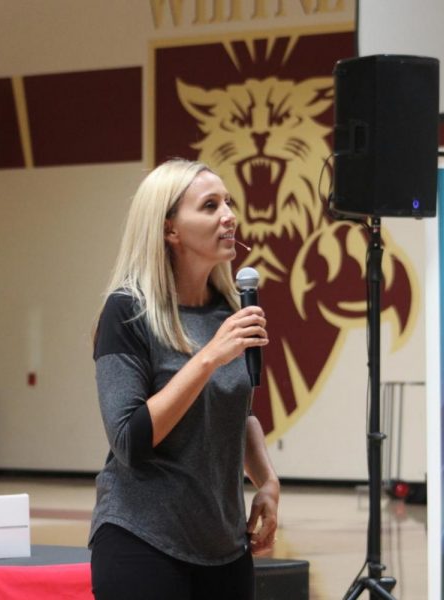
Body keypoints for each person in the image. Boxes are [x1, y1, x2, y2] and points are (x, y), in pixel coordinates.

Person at [89, 159, 280, 600]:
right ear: (170, 229)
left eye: (228, 203)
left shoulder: (231, 310)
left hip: (224, 545)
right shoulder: (127, 312)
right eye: (210, 206)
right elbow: (130, 440)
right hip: (143, 541)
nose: (229, 216)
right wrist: (208, 357)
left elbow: (239, 415)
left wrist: (267, 482)